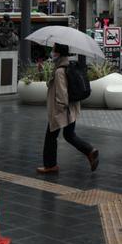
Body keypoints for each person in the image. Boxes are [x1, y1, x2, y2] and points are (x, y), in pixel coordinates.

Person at [37, 43, 98, 174]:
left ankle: (50, 165)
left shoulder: (60, 71)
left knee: (50, 137)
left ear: (58, 53)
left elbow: (62, 93)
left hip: (62, 110)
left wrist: (58, 110)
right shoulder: (67, 66)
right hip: (71, 109)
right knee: (69, 135)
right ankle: (90, 151)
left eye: (53, 50)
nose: (51, 53)